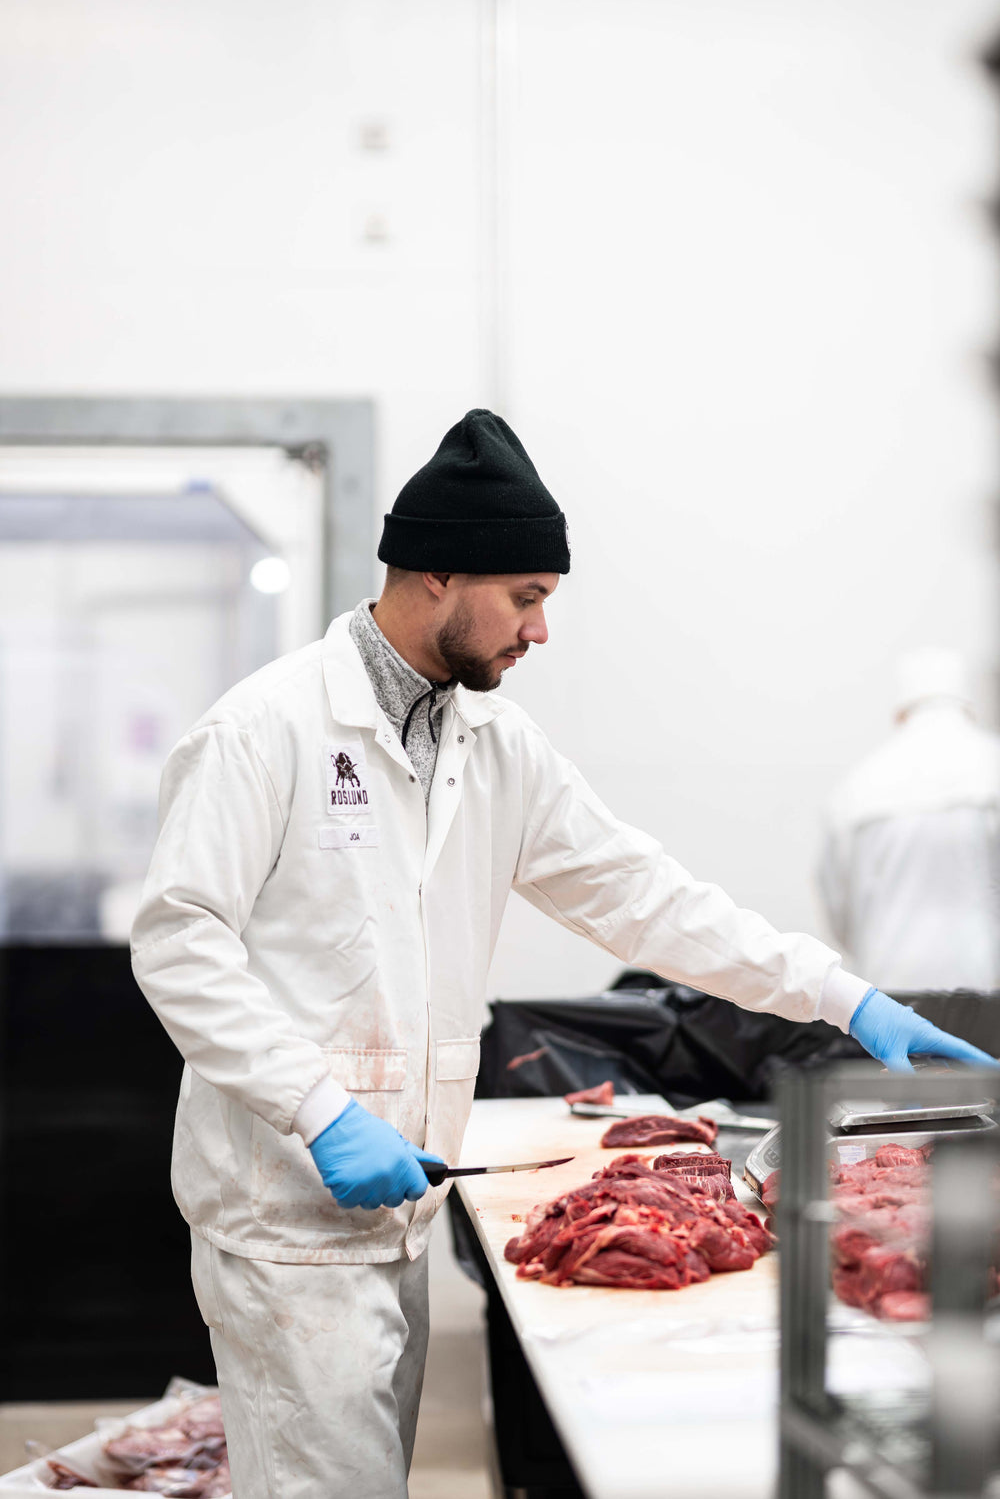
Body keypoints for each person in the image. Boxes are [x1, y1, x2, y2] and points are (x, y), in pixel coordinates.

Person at [131, 411, 995, 1499]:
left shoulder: (493, 743)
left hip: (396, 1213)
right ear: (439, 574)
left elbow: (644, 899)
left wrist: (842, 996)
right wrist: (317, 1108)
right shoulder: (264, 730)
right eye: (526, 597)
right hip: (285, 1213)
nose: (540, 631)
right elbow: (180, 942)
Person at [820, 646, 1000, 993]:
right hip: (986, 986)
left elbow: (837, 904)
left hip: (889, 986)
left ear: (901, 712)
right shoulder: (992, 764)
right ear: (967, 705)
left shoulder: (858, 785)